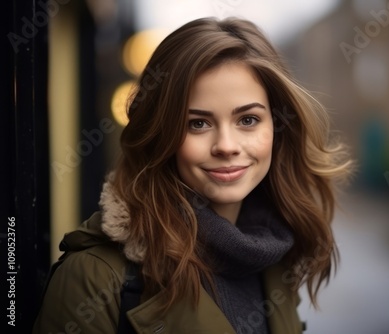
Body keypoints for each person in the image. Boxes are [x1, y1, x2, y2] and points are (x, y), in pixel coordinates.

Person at [34, 16, 350, 334]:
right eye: (197, 123)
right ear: (161, 135)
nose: (226, 146)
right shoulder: (94, 277)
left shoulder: (275, 256)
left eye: (248, 120)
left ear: (278, 127)